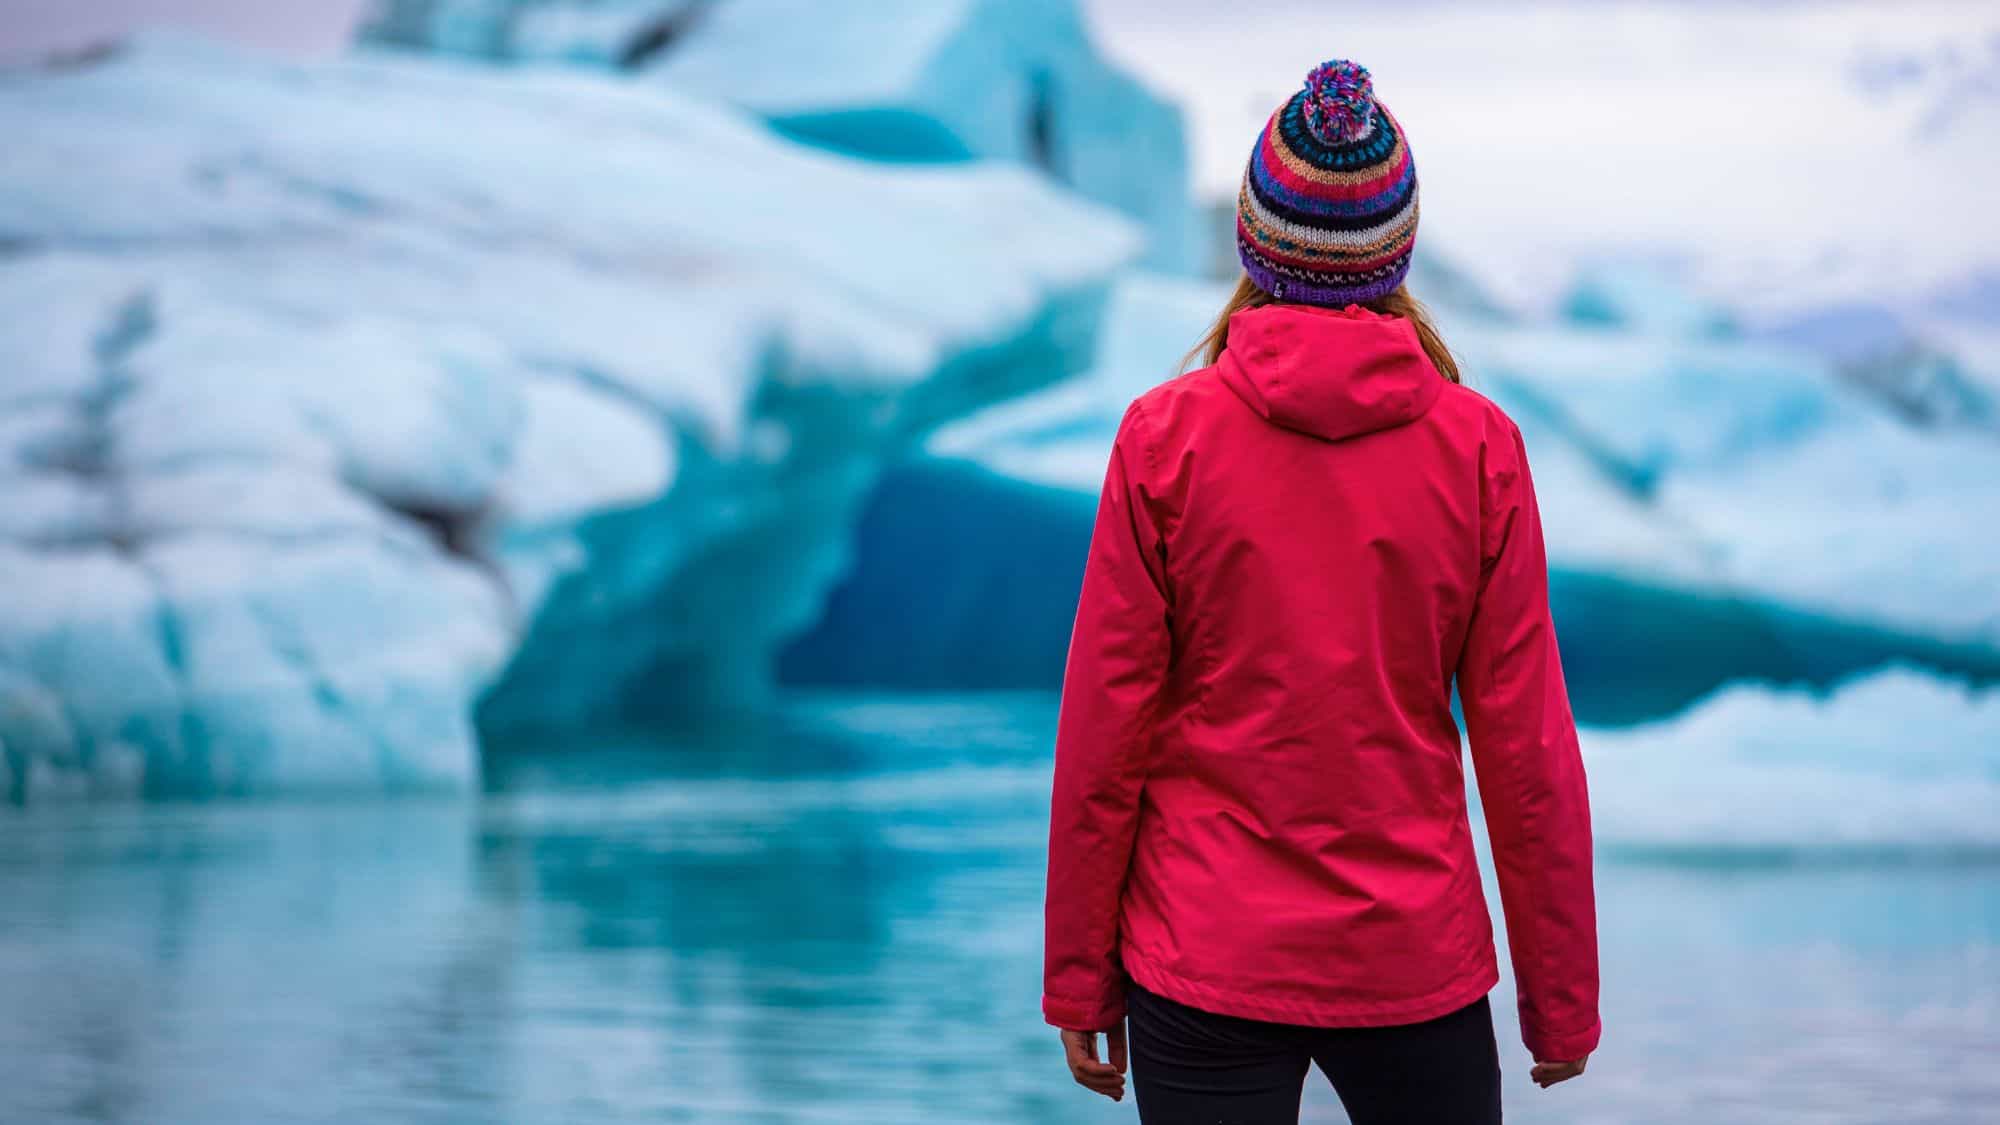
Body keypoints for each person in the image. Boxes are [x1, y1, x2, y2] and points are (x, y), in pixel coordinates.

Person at [1041, 58, 1599, 1124]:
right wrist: (1558, 1002)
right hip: (1409, 964)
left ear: (1255, 241)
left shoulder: (1165, 440)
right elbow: (1522, 748)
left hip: (1199, 955)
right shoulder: (1474, 448)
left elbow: (1103, 731)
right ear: (1396, 249)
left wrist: (1077, 975)